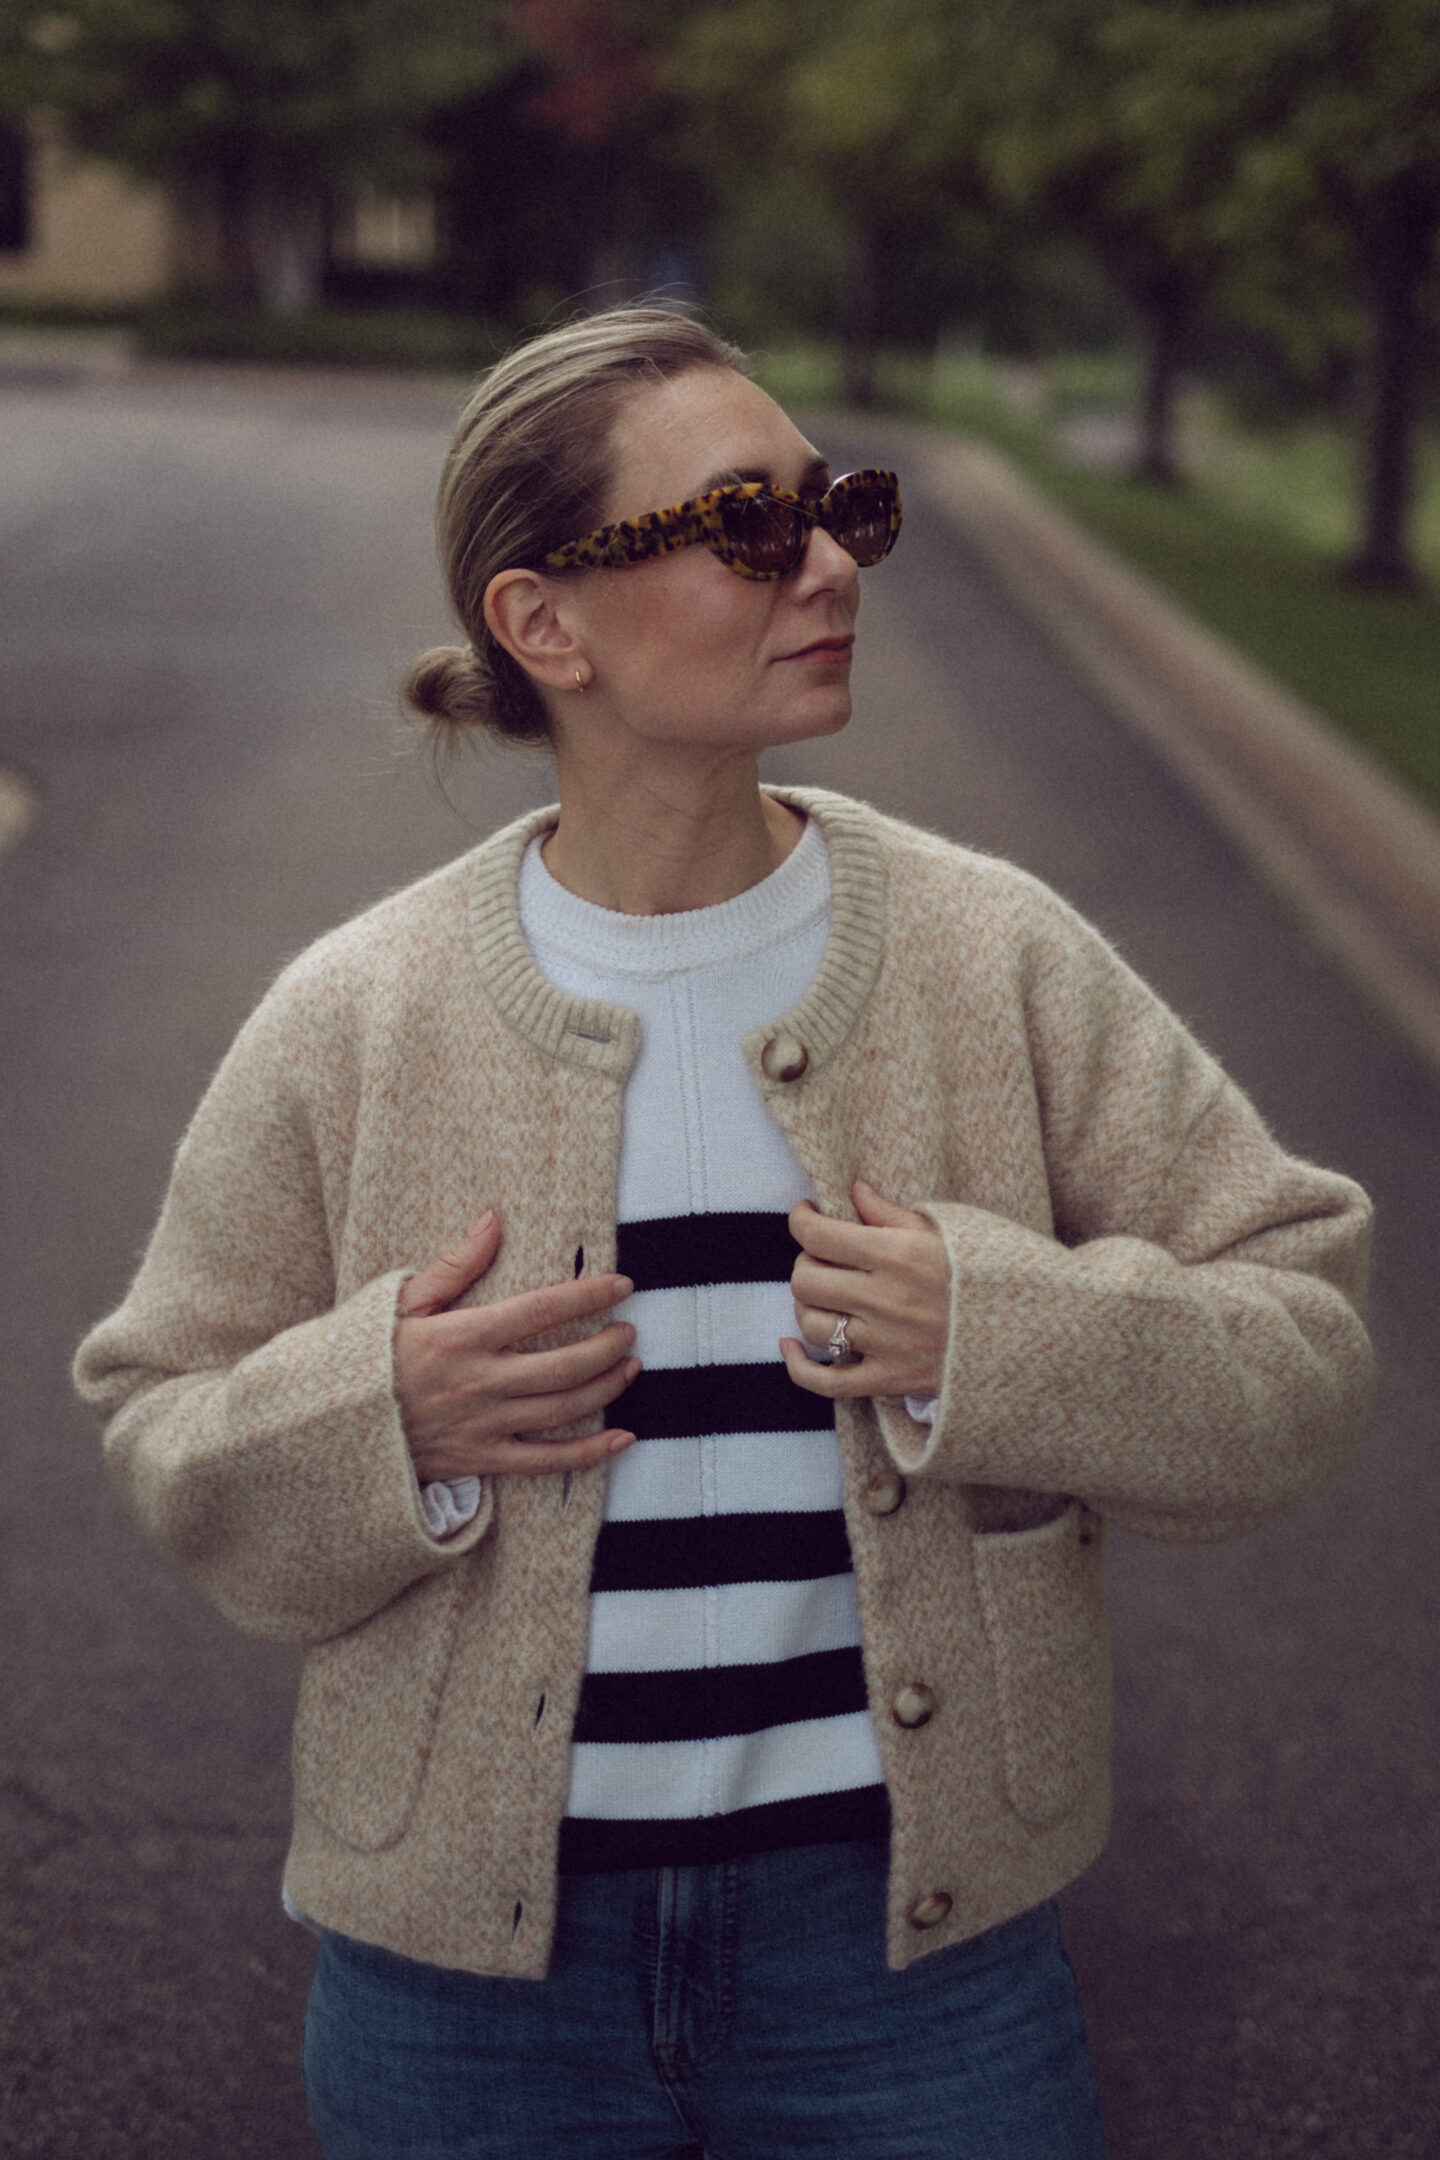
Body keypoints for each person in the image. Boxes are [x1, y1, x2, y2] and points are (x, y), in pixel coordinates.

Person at [75, 306, 1373, 2160]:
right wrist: (386, 1418)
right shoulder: (357, 1014)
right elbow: (160, 1414)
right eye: (750, 524)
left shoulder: (988, 954)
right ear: (547, 625)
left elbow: (1302, 1341)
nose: (832, 559)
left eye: (837, 504)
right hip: (466, 2006)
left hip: (916, 1976)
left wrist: (991, 1335)